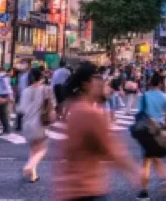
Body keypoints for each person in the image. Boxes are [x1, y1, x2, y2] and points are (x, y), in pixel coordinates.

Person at [53, 62, 141, 200]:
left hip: (71, 187)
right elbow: (111, 149)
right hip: (87, 188)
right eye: (97, 78)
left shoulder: (75, 108)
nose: (102, 82)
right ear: (86, 84)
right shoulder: (90, 113)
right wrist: (135, 171)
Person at [136, 73, 166, 201]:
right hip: (159, 131)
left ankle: (144, 191)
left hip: (147, 131)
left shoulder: (144, 97)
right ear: (160, 83)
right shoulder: (165, 97)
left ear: (149, 83)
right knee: (157, 158)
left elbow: (140, 114)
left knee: (146, 162)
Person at [19, 67, 54, 183]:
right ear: (41, 77)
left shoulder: (25, 91)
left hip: (26, 124)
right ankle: (29, 166)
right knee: (42, 149)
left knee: (33, 149)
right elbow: (51, 106)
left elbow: (21, 109)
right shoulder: (46, 89)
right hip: (39, 124)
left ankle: (33, 175)